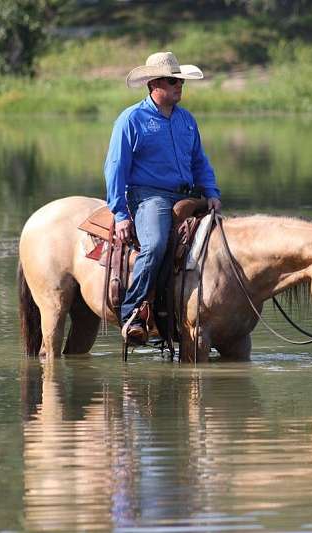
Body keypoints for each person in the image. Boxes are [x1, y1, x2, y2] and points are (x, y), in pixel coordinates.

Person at [104, 51, 222, 345]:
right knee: (155, 244)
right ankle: (132, 312)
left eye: (179, 81)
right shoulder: (131, 119)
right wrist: (120, 214)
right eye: (172, 81)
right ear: (154, 84)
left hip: (187, 196)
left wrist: (211, 193)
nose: (179, 86)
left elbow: (200, 162)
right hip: (149, 197)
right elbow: (116, 168)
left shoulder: (187, 120)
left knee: (222, 242)